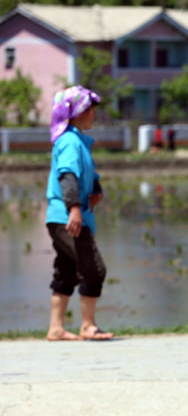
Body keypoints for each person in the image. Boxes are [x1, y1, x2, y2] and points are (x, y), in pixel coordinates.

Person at [45, 85, 114, 341]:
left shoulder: (78, 141)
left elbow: (88, 177)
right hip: (68, 217)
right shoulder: (71, 142)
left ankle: (56, 328)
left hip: (67, 216)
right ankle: (88, 325)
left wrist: (94, 193)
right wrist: (74, 208)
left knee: (68, 269)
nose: (94, 114)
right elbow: (68, 176)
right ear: (77, 112)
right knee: (93, 268)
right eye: (90, 109)